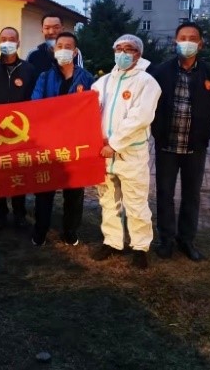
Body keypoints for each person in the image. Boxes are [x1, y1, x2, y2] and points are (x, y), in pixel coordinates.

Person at [151, 22, 210, 262]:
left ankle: (187, 239)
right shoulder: (161, 72)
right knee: (165, 193)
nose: (187, 42)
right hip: (167, 145)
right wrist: (157, 130)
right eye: (183, 38)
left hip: (195, 146)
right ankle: (166, 239)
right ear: (175, 41)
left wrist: (205, 131)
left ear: (200, 44)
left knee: (192, 195)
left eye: (193, 38)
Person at [89, 34, 161, 269]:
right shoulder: (102, 83)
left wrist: (115, 144)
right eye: (118, 49)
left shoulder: (147, 82)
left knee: (136, 202)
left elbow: (140, 118)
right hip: (103, 153)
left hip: (130, 154)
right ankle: (113, 242)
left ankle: (140, 247)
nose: (122, 53)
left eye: (128, 49)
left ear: (138, 54)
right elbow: (89, 112)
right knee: (108, 200)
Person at [30, 32, 94, 246]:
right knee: (44, 189)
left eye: (68, 46)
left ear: (75, 52)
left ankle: (70, 231)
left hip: (76, 143)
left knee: (74, 190)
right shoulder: (44, 77)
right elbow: (36, 105)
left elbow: (92, 109)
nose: (64, 50)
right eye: (60, 46)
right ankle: (40, 231)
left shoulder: (86, 78)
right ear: (54, 50)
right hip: (49, 142)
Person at [0, 26, 38, 230]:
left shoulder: (29, 69)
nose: (8, 42)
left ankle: (19, 213)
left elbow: (35, 100)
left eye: (12, 38)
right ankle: (0, 212)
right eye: (4, 38)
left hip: (21, 131)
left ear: (18, 43)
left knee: (18, 173)